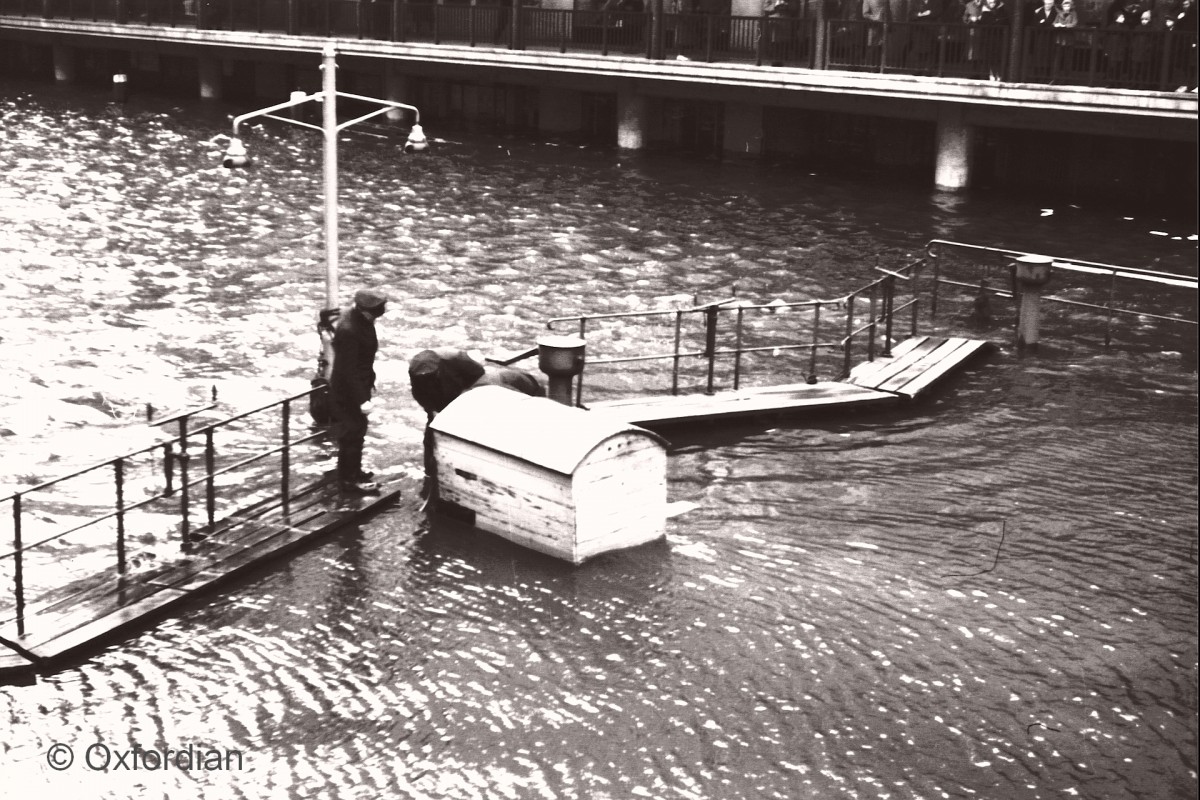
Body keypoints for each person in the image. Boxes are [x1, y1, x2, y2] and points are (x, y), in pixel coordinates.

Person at [329, 288, 388, 494]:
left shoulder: (359, 320)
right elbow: (348, 370)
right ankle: (349, 481)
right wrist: (362, 400)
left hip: (357, 385)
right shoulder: (349, 330)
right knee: (351, 433)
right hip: (348, 392)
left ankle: (354, 471)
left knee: (357, 431)